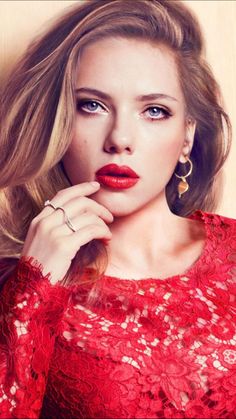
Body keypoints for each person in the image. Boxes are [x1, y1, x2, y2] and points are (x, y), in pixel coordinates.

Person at [0, 0, 235, 418]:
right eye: (92, 105)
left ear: (186, 137)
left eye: (154, 111)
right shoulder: (18, 286)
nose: (120, 138)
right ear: (59, 124)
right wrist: (33, 293)